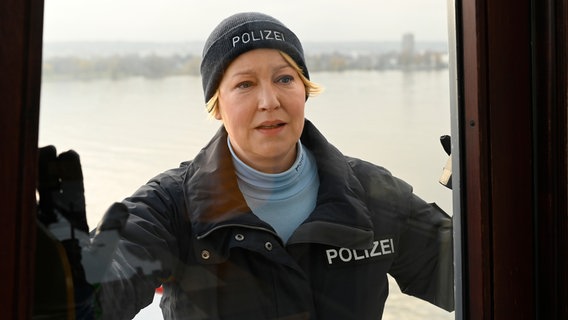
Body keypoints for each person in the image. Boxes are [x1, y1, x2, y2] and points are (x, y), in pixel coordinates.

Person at [96, 11, 454, 319]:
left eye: (284, 79)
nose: (269, 101)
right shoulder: (170, 207)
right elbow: (104, 285)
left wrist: (489, 189)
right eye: (245, 84)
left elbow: (472, 273)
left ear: (304, 90)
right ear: (217, 105)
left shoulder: (373, 197)